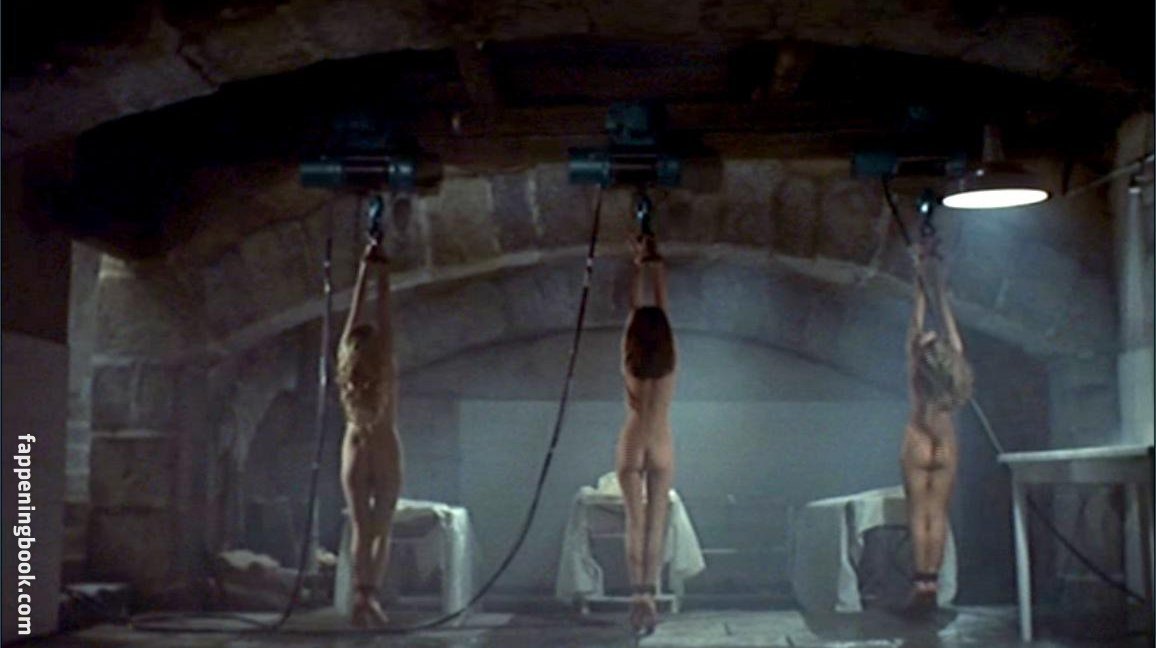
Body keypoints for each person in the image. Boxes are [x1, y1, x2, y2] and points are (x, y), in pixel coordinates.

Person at [900, 244, 973, 611]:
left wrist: (919, 281)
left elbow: (916, 321)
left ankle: (922, 582)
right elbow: (949, 329)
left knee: (919, 511)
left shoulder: (917, 363)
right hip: (945, 440)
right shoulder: (953, 368)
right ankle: (931, 580)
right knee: (938, 512)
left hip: (917, 437)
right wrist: (940, 288)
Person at [336, 240, 403, 627]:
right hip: (383, 443)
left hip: (354, 444)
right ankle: (371, 597)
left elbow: (355, 316)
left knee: (361, 527)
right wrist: (383, 275)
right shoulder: (385, 362)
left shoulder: (347, 363)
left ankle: (360, 597)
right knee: (382, 528)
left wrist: (363, 272)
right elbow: (384, 314)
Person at [615, 233, 677, 636]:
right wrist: (657, 267)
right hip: (661, 439)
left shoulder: (630, 361)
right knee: (656, 522)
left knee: (633, 520)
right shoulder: (670, 361)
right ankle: (651, 594)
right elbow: (661, 312)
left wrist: (638, 266)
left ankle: (637, 595)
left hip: (633, 438)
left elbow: (634, 311)